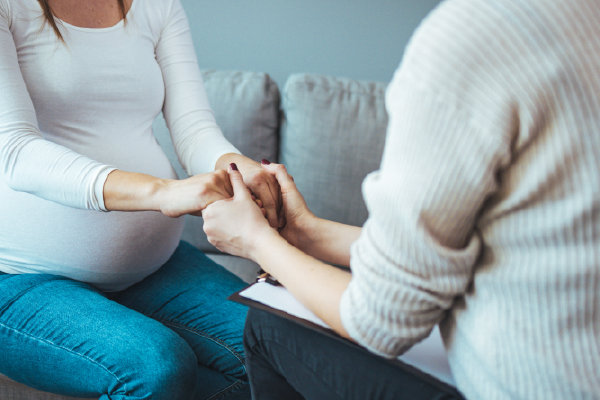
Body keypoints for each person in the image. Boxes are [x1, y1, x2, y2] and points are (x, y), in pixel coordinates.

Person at [202, 0, 600, 398]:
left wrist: (257, 242)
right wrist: (308, 233)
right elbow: (500, 252)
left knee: (269, 325)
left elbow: (383, 319)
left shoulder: (476, 34)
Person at [0, 0, 280, 398]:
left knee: (274, 351)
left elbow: (194, 128)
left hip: (152, 266)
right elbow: (15, 151)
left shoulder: (157, 6)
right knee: (156, 367)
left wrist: (238, 166)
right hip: (16, 274)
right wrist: (161, 191)